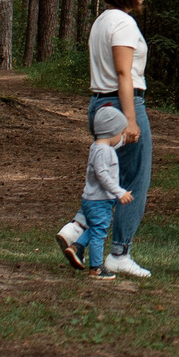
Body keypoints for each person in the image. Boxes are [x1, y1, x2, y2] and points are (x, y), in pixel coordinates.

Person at [58, 0, 153, 277]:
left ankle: (78, 232)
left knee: (108, 176)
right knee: (134, 178)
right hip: (122, 104)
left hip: (99, 102)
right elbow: (124, 73)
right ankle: (119, 253)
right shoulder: (124, 23)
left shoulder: (101, 20)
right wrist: (130, 119)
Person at [76, 106, 134, 281]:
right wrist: (119, 192)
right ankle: (96, 268)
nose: (122, 137)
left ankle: (76, 246)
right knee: (99, 232)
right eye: (121, 133)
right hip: (99, 201)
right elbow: (102, 175)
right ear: (112, 132)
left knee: (95, 228)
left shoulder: (97, 147)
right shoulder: (104, 151)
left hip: (93, 200)